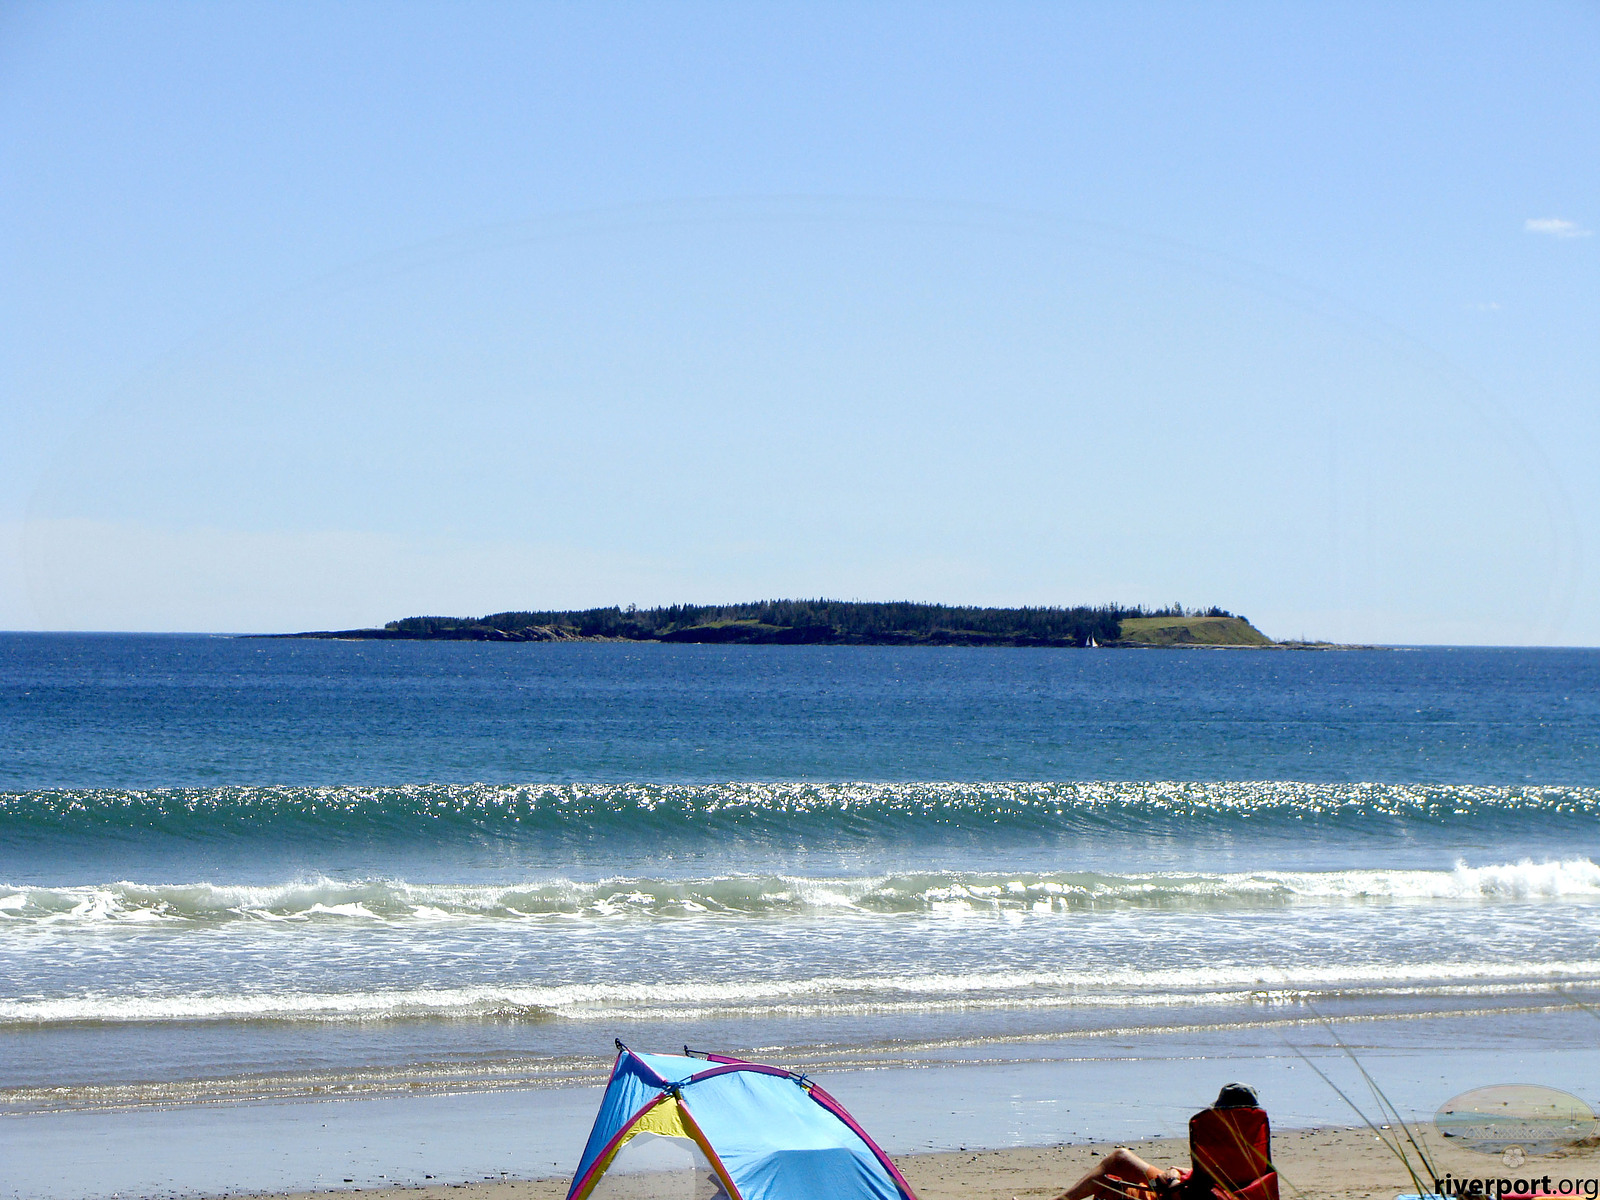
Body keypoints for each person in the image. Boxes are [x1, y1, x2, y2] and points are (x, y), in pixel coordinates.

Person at [1053, 1085, 1268, 1200]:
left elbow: (1207, 1184)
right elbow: (1221, 1178)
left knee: (1119, 1160)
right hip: (1219, 1194)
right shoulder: (1254, 1140)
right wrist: (1183, 1172)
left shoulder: (1216, 1132)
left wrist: (1177, 1177)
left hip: (1186, 1195)